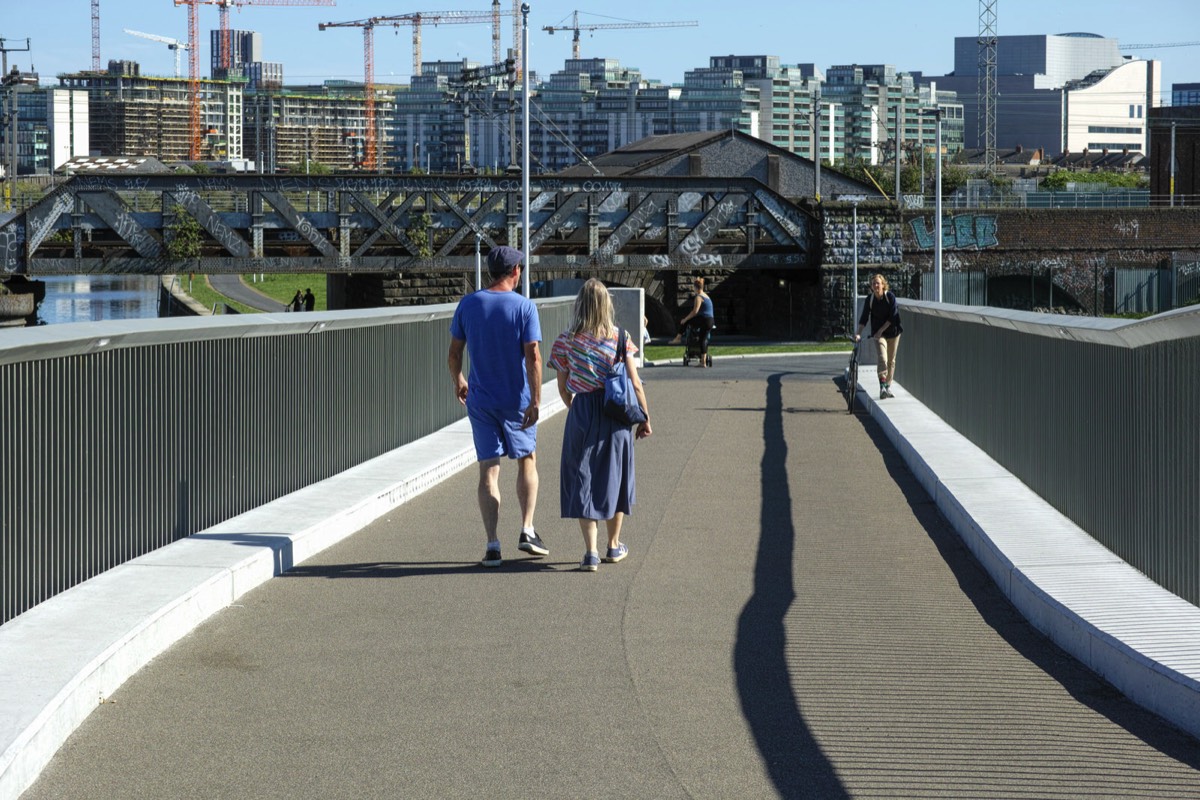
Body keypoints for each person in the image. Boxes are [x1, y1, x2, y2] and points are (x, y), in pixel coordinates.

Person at [448, 245, 547, 567]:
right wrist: (535, 399)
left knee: (489, 470)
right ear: (516, 271)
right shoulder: (524, 307)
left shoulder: (468, 304)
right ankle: (527, 529)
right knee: (527, 459)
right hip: (515, 399)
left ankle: (492, 544)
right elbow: (532, 354)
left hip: (480, 398)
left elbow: (454, 353)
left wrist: (459, 380)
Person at [549, 279, 652, 572]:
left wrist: (577, 408)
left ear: (579, 304)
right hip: (615, 413)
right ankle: (613, 545)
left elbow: (562, 386)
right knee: (614, 477)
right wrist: (645, 418)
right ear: (607, 305)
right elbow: (634, 382)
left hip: (582, 410)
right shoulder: (621, 338)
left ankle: (590, 552)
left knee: (583, 477)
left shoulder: (566, 340)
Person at [854, 273, 903, 400]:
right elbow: (864, 317)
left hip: (893, 332)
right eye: (873, 283)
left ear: (883, 285)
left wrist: (881, 330)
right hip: (878, 334)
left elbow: (893, 317)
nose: (876, 285)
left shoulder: (890, 297)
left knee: (891, 361)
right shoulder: (870, 299)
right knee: (883, 357)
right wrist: (858, 333)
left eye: (878, 283)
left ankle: (887, 386)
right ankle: (882, 386)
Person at [669, 277, 715, 366]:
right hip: (710, 320)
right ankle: (703, 362)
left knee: (685, 321)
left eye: (693, 288)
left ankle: (677, 338)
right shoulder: (706, 295)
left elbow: (695, 311)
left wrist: (685, 319)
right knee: (703, 340)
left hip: (705, 320)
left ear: (695, 287)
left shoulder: (699, 297)